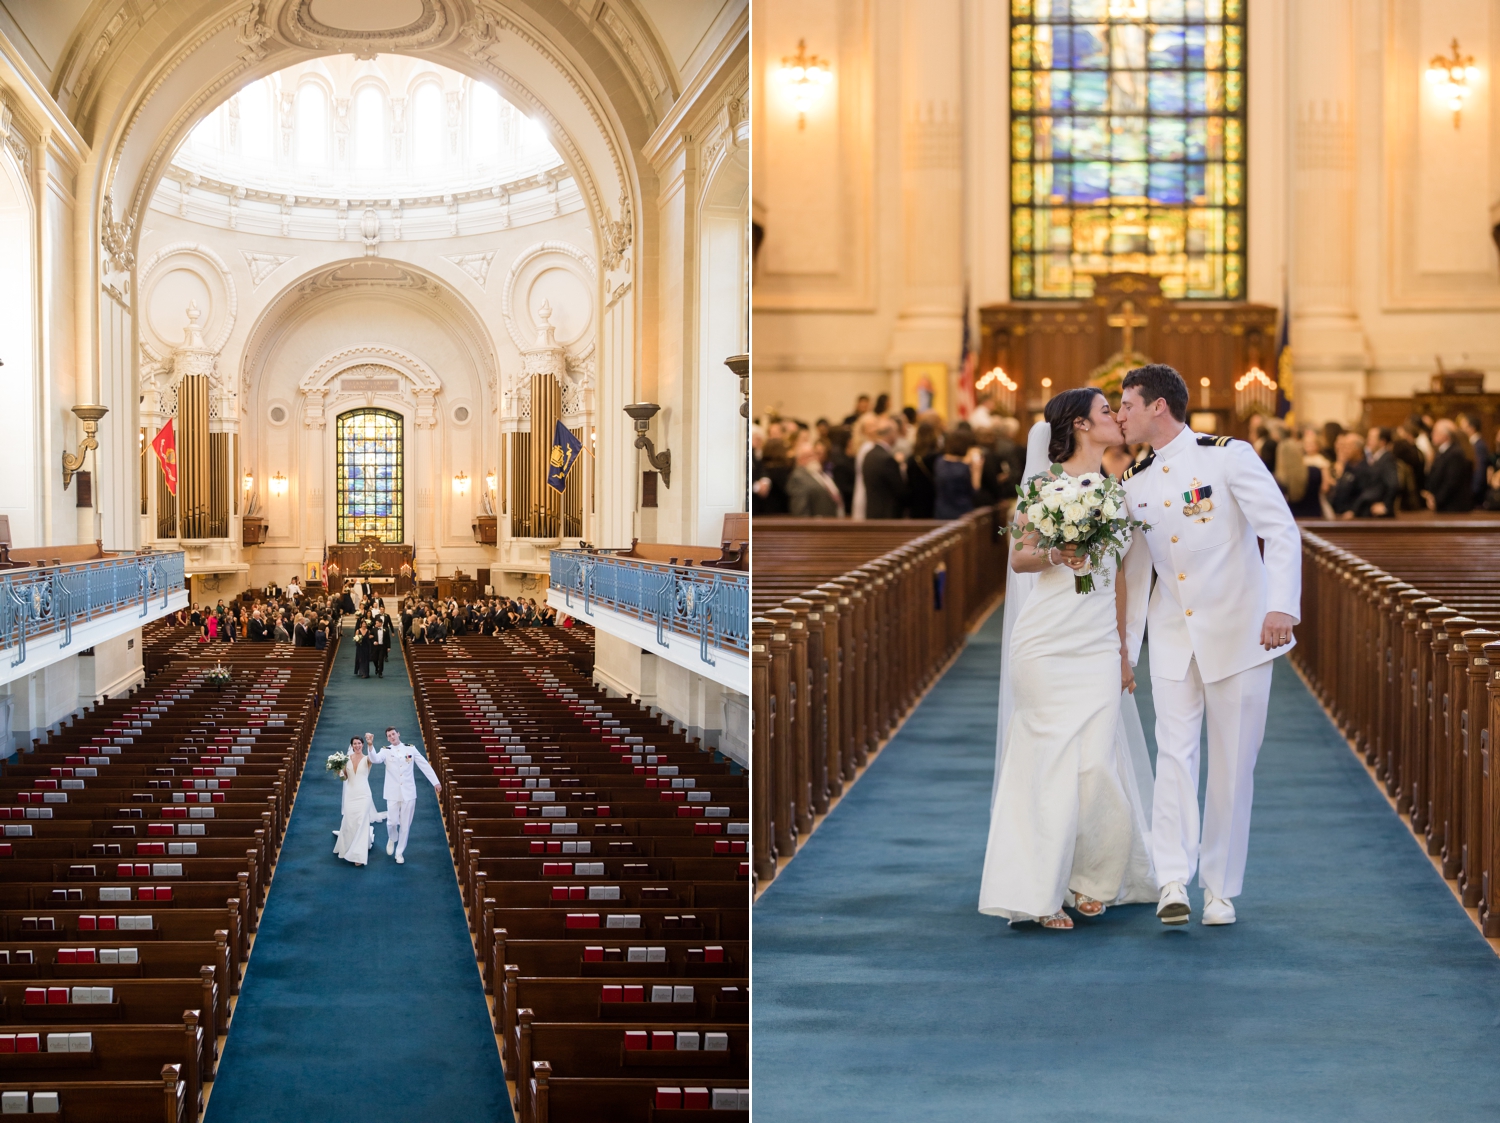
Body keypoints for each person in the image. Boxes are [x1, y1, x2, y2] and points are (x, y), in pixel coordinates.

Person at [1117, 363, 1301, 927]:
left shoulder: (1227, 456)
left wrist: (1281, 606)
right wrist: (1126, 649)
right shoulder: (1134, 482)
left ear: (1158, 406)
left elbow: (1281, 528)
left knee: (1231, 763)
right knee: (1173, 754)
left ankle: (1220, 888)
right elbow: (1134, 571)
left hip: (1241, 631)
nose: (1120, 416)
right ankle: (1173, 877)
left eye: (1126, 405)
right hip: (1174, 636)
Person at [978, 390, 1156, 929]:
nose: (1117, 418)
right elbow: (1020, 557)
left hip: (1098, 645)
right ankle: (1040, 891)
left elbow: (1120, 577)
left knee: (1096, 763)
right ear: (1080, 425)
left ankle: (1091, 877)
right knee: (1046, 763)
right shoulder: (1042, 489)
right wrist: (1059, 552)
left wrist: (1125, 651)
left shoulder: (1117, 494)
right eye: (1107, 412)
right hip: (1046, 642)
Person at [367, 728, 441, 865]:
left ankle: (399, 852)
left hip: (409, 792)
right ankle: (392, 838)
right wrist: (370, 745)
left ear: (398, 734)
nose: (392, 737)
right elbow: (375, 759)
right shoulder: (385, 750)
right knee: (392, 822)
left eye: (393, 734)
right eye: (389, 736)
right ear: (387, 739)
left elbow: (424, 764)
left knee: (405, 826)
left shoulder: (410, 749)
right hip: (392, 792)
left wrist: (435, 782)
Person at [332, 736, 383, 867]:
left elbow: (374, 756)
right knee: (349, 820)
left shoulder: (368, 759)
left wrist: (370, 744)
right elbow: (345, 778)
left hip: (364, 795)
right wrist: (338, 772)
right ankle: (348, 845)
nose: (357, 745)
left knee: (362, 821)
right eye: (355, 744)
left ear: (362, 745)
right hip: (350, 794)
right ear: (352, 745)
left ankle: (358, 855)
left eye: (359, 743)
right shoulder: (346, 759)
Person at [1424, 419, 1474, 512]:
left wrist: (1437, 500)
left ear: (1445, 435)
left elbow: (1451, 481)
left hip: (1453, 508)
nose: (1432, 434)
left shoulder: (1455, 453)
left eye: (1435, 432)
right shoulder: (1442, 452)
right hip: (1444, 506)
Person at [933, 429, 983, 520]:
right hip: (962, 513)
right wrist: (977, 471)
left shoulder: (940, 462)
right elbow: (974, 491)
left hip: (942, 512)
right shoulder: (964, 468)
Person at [786, 439, 845, 517]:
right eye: (809, 455)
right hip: (818, 524)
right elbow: (800, 510)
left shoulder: (818, 473)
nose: (814, 458)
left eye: (814, 454)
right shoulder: (798, 477)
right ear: (799, 459)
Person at [861, 417, 906, 519]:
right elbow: (900, 490)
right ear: (890, 434)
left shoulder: (869, 455)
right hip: (887, 514)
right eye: (895, 432)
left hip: (872, 512)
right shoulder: (887, 459)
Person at [1327, 432, 1372, 518]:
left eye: (1348, 447)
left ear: (1358, 449)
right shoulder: (1347, 466)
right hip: (1338, 514)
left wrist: (1353, 511)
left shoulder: (1366, 470)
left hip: (1355, 518)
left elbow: (1364, 494)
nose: (1344, 450)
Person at [1358, 427, 1400, 518]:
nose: (1368, 441)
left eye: (1372, 438)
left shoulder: (1387, 459)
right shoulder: (1377, 458)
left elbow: (1393, 484)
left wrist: (1386, 506)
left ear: (1382, 442)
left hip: (1380, 514)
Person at [903, 422, 941, 519]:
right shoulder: (938, 457)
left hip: (916, 504)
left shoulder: (912, 459)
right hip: (934, 501)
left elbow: (909, 482)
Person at [1458, 413, 1491, 505]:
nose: (1461, 430)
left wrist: (1472, 493)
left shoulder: (1478, 446)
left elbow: (1479, 471)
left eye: (1463, 427)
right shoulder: (1472, 444)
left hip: (1476, 497)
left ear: (1472, 428)